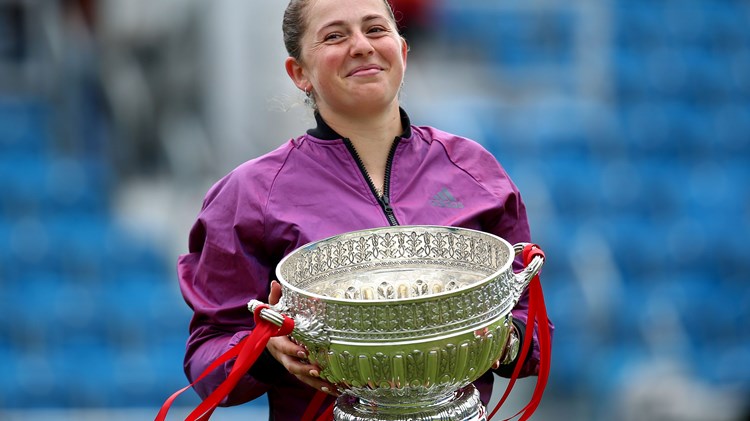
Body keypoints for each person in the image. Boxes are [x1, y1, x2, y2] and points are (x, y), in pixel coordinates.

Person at [177, 0, 554, 419]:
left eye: (375, 30)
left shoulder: (474, 171)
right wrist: (265, 349)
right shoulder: (250, 193)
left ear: (403, 52)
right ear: (299, 73)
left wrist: (506, 340)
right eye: (335, 36)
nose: (361, 46)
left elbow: (531, 319)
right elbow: (206, 361)